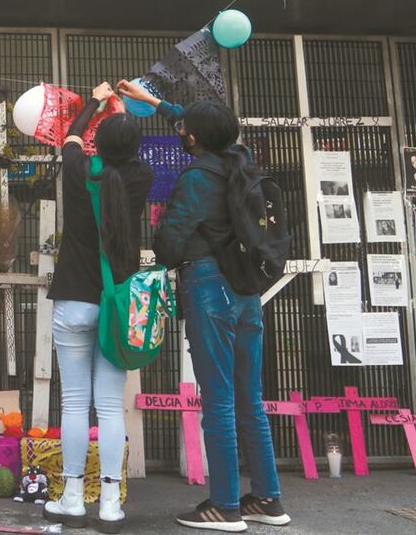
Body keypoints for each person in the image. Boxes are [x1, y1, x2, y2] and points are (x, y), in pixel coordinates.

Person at [117, 80, 290, 532]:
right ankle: (267, 499)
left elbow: (171, 240)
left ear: (193, 137)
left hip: (210, 286)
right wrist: (155, 102)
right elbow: (204, 127)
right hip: (246, 291)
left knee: (217, 400)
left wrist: (163, 245)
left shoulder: (196, 178)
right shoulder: (241, 161)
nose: (181, 132)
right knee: (250, 398)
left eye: (185, 129)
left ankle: (225, 505)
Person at [43, 83, 151, 533]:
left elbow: (71, 136)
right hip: (116, 306)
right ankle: (109, 502)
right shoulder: (141, 178)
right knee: (109, 408)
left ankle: (71, 498)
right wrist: (121, 110)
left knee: (73, 403)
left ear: (97, 145)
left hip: (73, 300)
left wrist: (95, 101)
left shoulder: (79, 170)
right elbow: (127, 151)